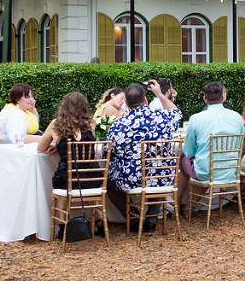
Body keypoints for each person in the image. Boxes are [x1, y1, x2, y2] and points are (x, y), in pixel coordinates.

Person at [106, 81, 182, 232]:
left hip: (133, 181)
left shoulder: (118, 125)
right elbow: (177, 113)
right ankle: (151, 219)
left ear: (126, 104)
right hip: (164, 177)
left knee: (108, 182)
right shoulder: (163, 118)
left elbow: (109, 155)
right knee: (158, 171)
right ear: (146, 100)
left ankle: (133, 218)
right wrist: (159, 94)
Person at [38, 92, 103, 237]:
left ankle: (62, 226)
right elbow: (84, 146)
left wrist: (59, 147)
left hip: (68, 177)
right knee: (84, 182)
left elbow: (40, 148)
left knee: (63, 185)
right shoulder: (90, 122)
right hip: (92, 177)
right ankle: (100, 220)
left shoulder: (56, 124)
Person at [176, 82, 244, 216]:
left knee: (183, 158)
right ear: (223, 97)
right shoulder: (237, 117)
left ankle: (177, 205)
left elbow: (189, 152)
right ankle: (190, 205)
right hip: (232, 170)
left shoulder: (195, 119)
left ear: (204, 99)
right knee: (206, 160)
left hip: (206, 172)